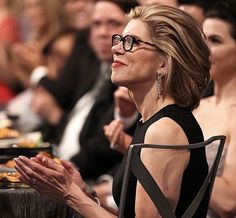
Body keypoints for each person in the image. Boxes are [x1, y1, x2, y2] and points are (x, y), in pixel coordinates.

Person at [14, 4, 210, 217]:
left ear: (163, 62)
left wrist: (70, 194)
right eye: (119, 40)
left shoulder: (164, 130)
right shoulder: (151, 122)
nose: (115, 48)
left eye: (131, 42)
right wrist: (83, 192)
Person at [193, 0, 236, 217]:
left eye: (215, 41)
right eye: (203, 39)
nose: (204, 49)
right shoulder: (195, 106)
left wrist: (178, 158)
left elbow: (229, 201)